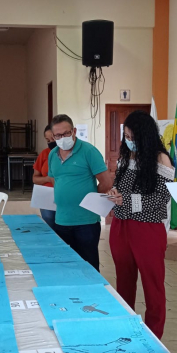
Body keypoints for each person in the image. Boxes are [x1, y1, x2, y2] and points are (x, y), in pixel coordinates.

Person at [107, 111, 174, 339]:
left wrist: (127, 199)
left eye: (132, 136)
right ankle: (126, 329)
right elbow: (118, 185)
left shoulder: (160, 159)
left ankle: (154, 335)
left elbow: (161, 199)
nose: (128, 140)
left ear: (145, 136)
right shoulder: (127, 157)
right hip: (121, 226)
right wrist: (114, 193)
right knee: (123, 281)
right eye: (125, 135)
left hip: (147, 230)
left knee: (152, 284)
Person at [48, 114, 113, 270]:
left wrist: (91, 199)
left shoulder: (89, 151)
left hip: (86, 222)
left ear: (74, 131)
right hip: (61, 220)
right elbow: (55, 180)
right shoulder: (52, 155)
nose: (62, 138)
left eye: (66, 133)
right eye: (58, 135)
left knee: (88, 267)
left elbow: (106, 182)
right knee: (65, 267)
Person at [33, 124, 57, 230]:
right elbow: (35, 178)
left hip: (65, 195)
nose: (51, 142)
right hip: (46, 196)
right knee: (49, 222)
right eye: (48, 140)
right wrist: (48, 179)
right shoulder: (44, 154)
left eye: (53, 138)